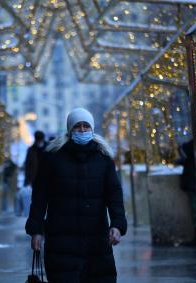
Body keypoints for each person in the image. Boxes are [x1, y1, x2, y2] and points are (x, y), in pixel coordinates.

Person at [26, 108, 127, 283]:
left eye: (86, 126)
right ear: (70, 130)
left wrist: (117, 225)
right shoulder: (53, 158)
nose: (82, 130)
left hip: (96, 242)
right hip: (61, 242)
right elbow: (40, 196)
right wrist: (36, 231)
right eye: (77, 126)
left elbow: (114, 194)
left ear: (92, 129)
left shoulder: (103, 158)